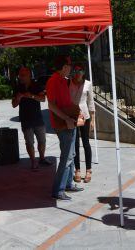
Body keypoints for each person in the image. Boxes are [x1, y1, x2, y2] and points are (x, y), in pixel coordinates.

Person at [47, 55, 83, 201]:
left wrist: (75, 113)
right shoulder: (53, 81)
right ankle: (58, 190)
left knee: (71, 155)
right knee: (66, 157)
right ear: (64, 67)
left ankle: (67, 184)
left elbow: (64, 102)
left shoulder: (63, 80)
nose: (71, 69)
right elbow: (51, 105)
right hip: (63, 124)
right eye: (69, 66)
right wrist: (67, 118)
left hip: (69, 122)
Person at [12, 67, 51, 171]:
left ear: (29, 75)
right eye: (20, 75)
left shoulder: (36, 85)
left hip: (38, 117)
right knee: (29, 142)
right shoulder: (17, 87)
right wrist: (18, 98)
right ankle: (34, 161)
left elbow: (43, 99)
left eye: (23, 75)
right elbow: (13, 105)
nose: (21, 77)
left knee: (42, 140)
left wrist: (32, 96)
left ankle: (42, 158)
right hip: (25, 119)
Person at [69, 64, 95, 183]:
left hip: (85, 115)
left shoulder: (88, 84)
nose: (79, 73)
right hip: (73, 115)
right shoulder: (69, 83)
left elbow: (91, 102)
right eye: (77, 70)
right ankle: (77, 170)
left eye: (81, 70)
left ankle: (88, 170)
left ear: (84, 72)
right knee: (75, 143)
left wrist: (93, 120)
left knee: (86, 143)